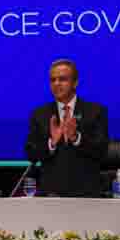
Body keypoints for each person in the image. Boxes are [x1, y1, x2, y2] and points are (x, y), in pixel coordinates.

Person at [24, 59, 109, 196]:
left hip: (86, 193)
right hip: (50, 194)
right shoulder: (40, 114)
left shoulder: (95, 112)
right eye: (53, 80)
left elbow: (102, 151)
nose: (56, 84)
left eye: (62, 79)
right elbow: (31, 154)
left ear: (75, 83)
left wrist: (76, 138)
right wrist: (51, 143)